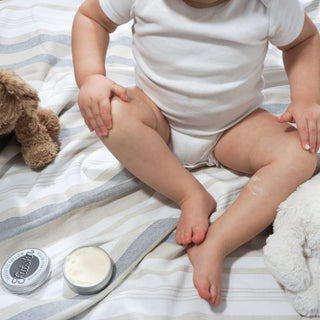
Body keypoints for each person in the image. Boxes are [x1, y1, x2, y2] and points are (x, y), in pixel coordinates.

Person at [72, 0, 320, 306]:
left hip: (234, 127)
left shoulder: (268, 5)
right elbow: (91, 18)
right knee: (111, 114)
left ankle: (217, 243)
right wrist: (91, 77)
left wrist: (306, 98)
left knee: (301, 152)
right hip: (155, 117)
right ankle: (191, 194)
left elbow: (304, 40)